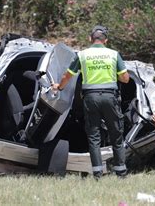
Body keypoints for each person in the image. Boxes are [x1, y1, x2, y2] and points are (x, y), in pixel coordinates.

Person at [51, 25, 130, 178]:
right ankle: (121, 171)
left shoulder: (83, 55)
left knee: (94, 136)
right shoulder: (114, 54)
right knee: (116, 134)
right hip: (109, 97)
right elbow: (125, 79)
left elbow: (68, 76)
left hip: (90, 98)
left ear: (90, 39)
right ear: (105, 40)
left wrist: (59, 87)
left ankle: (97, 173)